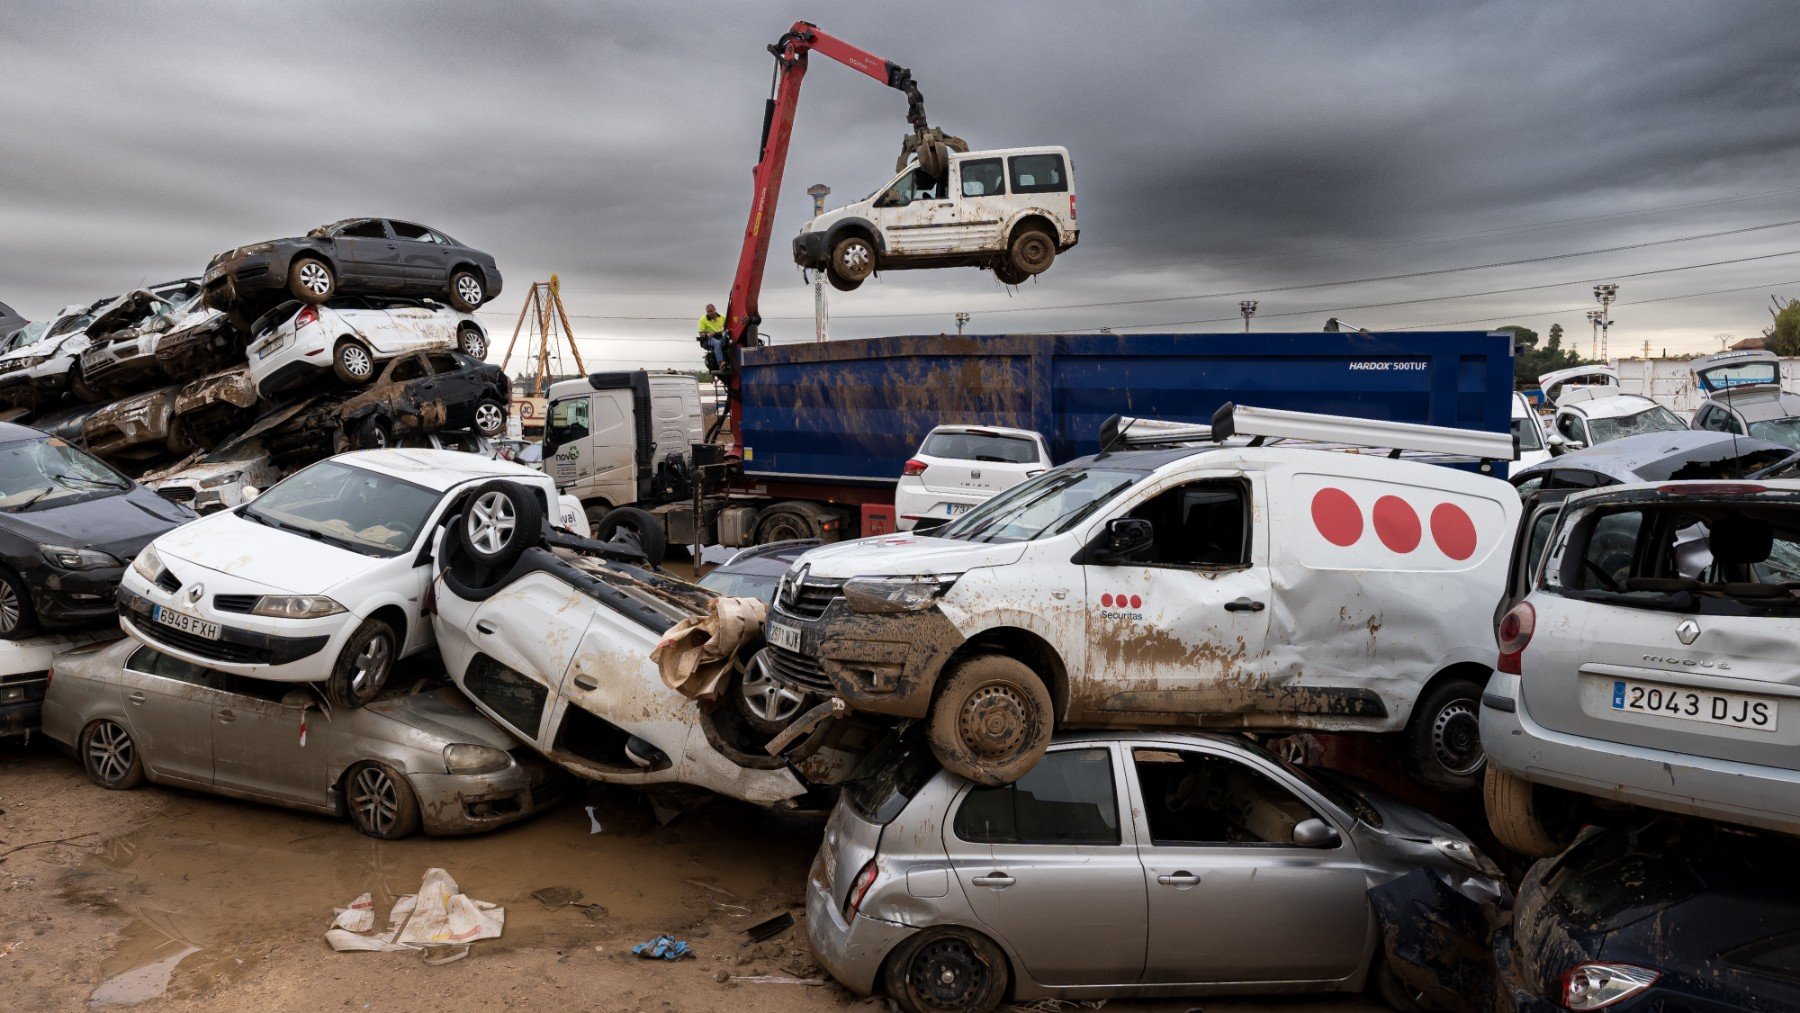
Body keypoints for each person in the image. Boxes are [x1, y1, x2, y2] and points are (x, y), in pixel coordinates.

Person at [697, 304, 726, 371]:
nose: (710, 313)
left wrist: (717, 333)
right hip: (709, 339)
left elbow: (727, 328)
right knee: (717, 343)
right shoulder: (703, 319)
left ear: (715, 309)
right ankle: (721, 363)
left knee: (729, 343)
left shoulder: (722, 317)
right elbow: (701, 333)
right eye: (708, 312)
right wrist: (707, 335)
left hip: (720, 336)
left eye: (711, 311)